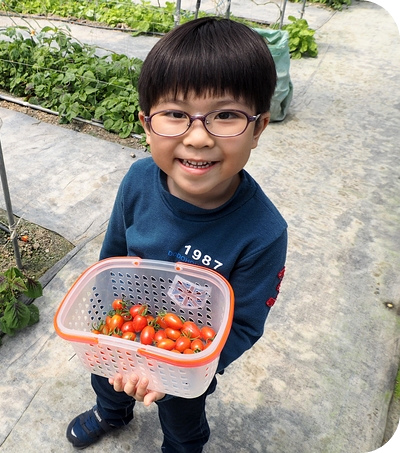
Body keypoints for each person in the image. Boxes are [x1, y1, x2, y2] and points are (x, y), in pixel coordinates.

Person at [65, 17, 288, 452]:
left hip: (188, 360)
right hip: (123, 333)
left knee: (184, 418)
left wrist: (182, 368)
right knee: (107, 381)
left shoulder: (264, 232)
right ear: (147, 123)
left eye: (226, 115)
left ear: (259, 128)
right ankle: (110, 412)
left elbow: (242, 324)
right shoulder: (137, 181)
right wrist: (111, 332)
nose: (198, 137)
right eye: (175, 115)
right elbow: (110, 260)